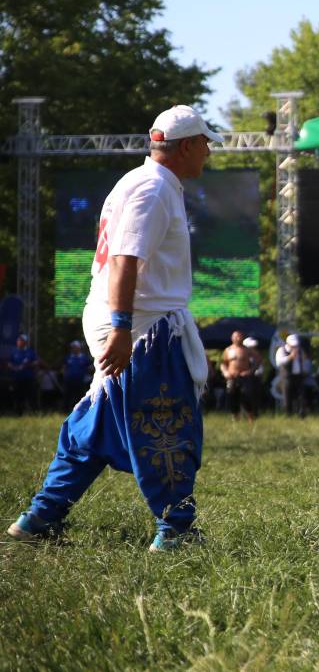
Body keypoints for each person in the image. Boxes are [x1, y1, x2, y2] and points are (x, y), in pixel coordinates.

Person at [7, 105, 217, 550]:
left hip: (130, 321)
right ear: (185, 147)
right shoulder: (154, 189)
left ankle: (40, 518)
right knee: (167, 422)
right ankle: (176, 530)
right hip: (143, 329)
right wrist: (122, 328)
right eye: (205, 142)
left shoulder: (141, 182)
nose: (209, 151)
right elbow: (125, 261)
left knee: (93, 429)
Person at [221, 330, 259, 422]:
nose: (238, 338)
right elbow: (223, 364)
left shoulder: (247, 350)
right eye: (236, 336)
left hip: (243, 377)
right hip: (232, 377)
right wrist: (225, 372)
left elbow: (258, 360)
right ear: (232, 338)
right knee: (232, 397)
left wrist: (250, 371)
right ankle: (235, 418)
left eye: (239, 336)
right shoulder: (228, 350)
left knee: (246, 397)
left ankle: (251, 417)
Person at [275, 333, 309, 418]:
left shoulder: (300, 351)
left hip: (298, 376)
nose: (295, 346)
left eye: (296, 345)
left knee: (301, 396)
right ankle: (288, 414)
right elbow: (279, 362)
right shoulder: (281, 350)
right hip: (287, 377)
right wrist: (290, 357)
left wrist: (305, 370)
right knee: (287, 396)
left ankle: (301, 415)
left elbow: (305, 362)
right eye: (293, 345)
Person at [8, 333, 38, 415]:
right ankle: (18, 413)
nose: (18, 341)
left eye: (21, 340)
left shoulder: (30, 352)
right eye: (18, 340)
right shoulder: (14, 351)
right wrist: (14, 367)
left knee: (30, 395)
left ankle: (33, 413)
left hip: (28, 378)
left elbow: (35, 363)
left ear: (25, 342)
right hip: (17, 378)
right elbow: (9, 363)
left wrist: (27, 365)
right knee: (17, 396)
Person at [61, 340, 92, 410]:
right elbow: (64, 368)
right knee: (67, 395)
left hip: (80, 381)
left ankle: (80, 410)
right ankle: (65, 409)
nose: (72, 348)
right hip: (68, 380)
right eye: (72, 347)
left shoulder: (84, 357)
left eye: (74, 347)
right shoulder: (68, 357)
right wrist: (64, 375)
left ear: (79, 347)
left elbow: (90, 367)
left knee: (80, 396)